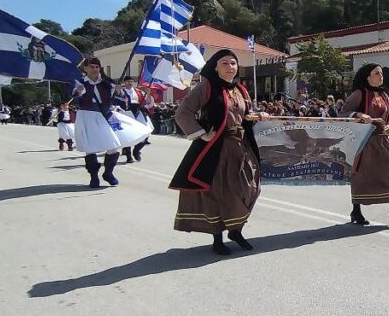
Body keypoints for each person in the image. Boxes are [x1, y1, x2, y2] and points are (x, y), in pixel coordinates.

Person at [169, 50, 269, 255]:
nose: (230, 66)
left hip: (242, 146)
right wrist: (201, 134)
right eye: (225, 63)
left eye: (233, 63)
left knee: (250, 187)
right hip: (217, 149)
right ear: (215, 67)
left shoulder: (241, 89)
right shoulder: (205, 87)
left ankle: (236, 229)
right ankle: (218, 238)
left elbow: (245, 114)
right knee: (219, 191)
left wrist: (257, 115)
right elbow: (183, 112)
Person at [340, 63, 389, 227]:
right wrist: (359, 115)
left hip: (384, 141)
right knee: (362, 176)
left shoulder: (386, 96)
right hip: (364, 142)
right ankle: (356, 211)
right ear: (368, 76)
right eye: (377, 73)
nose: (381, 76)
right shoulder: (359, 94)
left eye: (381, 73)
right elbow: (343, 113)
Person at [71, 57, 150, 188]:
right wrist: (77, 91)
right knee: (91, 149)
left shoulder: (107, 83)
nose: (95, 69)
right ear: (85, 68)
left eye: (97, 67)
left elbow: (122, 100)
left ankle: (108, 173)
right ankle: (94, 176)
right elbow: (74, 94)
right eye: (91, 66)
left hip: (107, 115)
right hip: (88, 116)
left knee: (114, 145)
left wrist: (119, 92)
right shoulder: (79, 83)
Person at [113, 76, 153, 164]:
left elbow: (148, 102)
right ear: (125, 82)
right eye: (128, 81)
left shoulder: (139, 92)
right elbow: (115, 102)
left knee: (146, 133)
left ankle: (136, 150)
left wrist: (148, 93)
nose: (130, 83)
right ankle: (128, 155)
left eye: (131, 81)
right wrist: (118, 92)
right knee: (128, 135)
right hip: (127, 113)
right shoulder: (121, 91)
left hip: (138, 113)